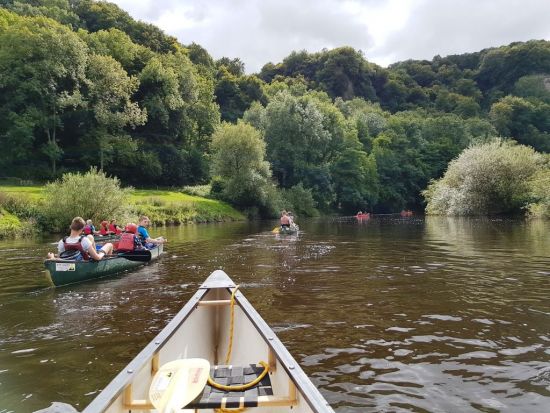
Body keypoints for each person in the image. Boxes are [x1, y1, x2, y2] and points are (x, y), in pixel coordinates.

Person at [47, 217, 113, 260]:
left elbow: (59, 259)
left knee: (90, 236)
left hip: (72, 264)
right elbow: (97, 258)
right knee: (110, 244)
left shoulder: (62, 241)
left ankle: (94, 251)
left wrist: (52, 257)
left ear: (71, 227)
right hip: (84, 263)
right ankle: (109, 263)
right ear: (82, 229)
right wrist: (102, 253)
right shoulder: (84, 240)